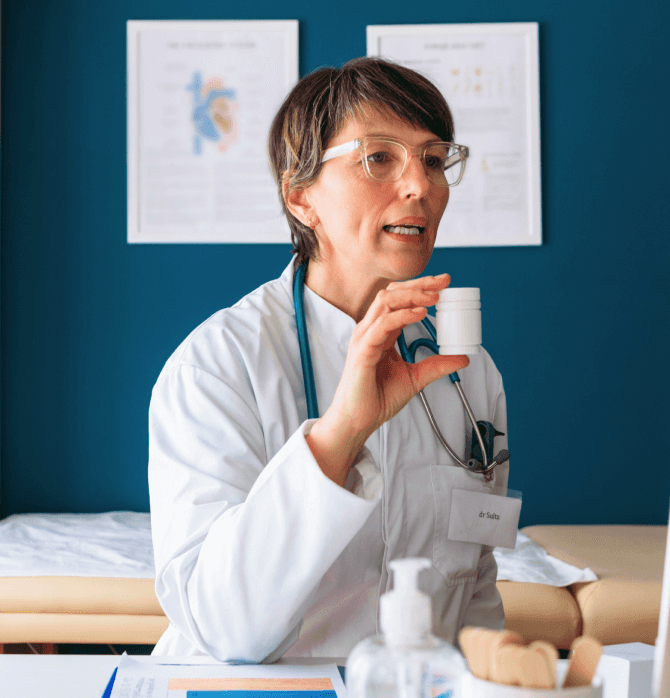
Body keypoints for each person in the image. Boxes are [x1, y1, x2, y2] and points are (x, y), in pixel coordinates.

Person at [148, 58, 509, 662]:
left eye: (433, 159)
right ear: (300, 197)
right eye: (379, 158)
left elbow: (473, 585)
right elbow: (223, 626)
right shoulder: (216, 366)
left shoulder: (467, 370)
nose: (420, 186)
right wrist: (340, 434)